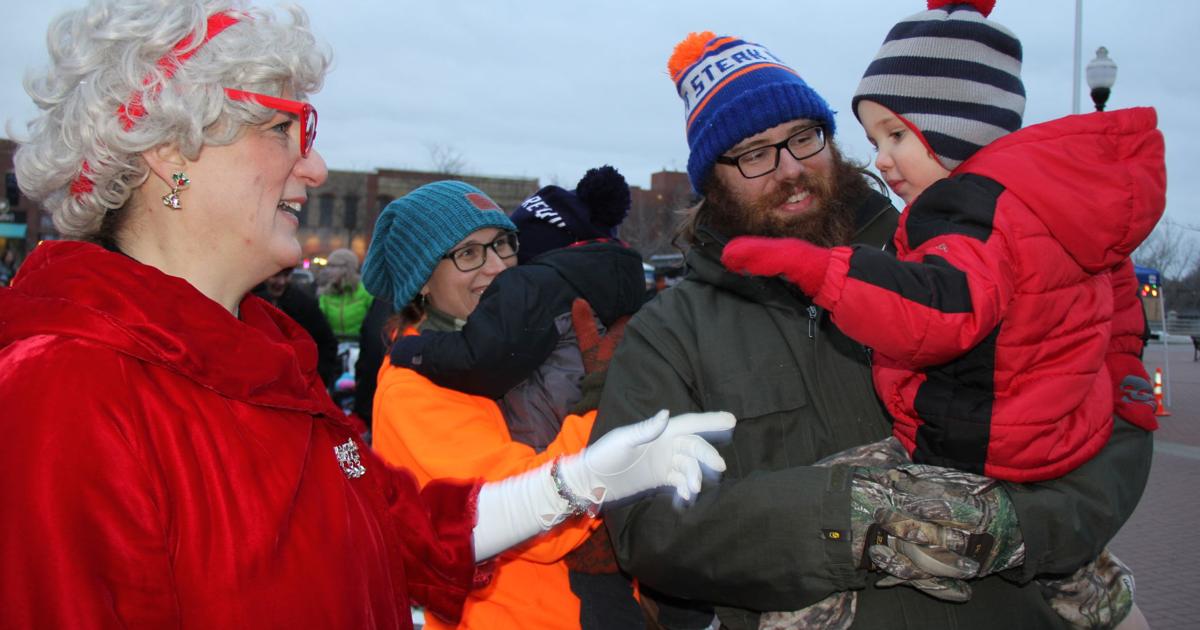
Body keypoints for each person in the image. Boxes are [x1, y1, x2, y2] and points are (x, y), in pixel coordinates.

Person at [0, 3, 735, 628]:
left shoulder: (264, 364)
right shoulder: (66, 389)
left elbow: (397, 528)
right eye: (285, 129)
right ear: (170, 151)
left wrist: (574, 483)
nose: (314, 168)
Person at [590, 29, 1154, 630]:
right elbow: (645, 523)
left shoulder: (960, 255)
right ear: (711, 179)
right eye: (754, 154)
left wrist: (1020, 528)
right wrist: (846, 521)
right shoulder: (673, 331)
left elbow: (1112, 417)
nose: (792, 169)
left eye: (805, 138)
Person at [362, 179, 649, 629]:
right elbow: (537, 518)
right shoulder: (416, 388)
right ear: (421, 283)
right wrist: (606, 398)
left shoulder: (511, 349)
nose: (498, 267)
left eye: (502, 245)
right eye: (469, 254)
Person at [254, 266, 341, 388]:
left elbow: (326, 342)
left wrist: (318, 379)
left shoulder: (304, 303)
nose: (281, 281)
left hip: (297, 383)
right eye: (276, 276)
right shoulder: (249, 302)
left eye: (286, 275)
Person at [318, 247, 374, 340]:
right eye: (328, 266)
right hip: (333, 347)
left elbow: (374, 323)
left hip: (360, 346)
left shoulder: (366, 293)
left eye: (333, 266)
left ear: (347, 268)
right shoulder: (325, 294)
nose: (328, 271)